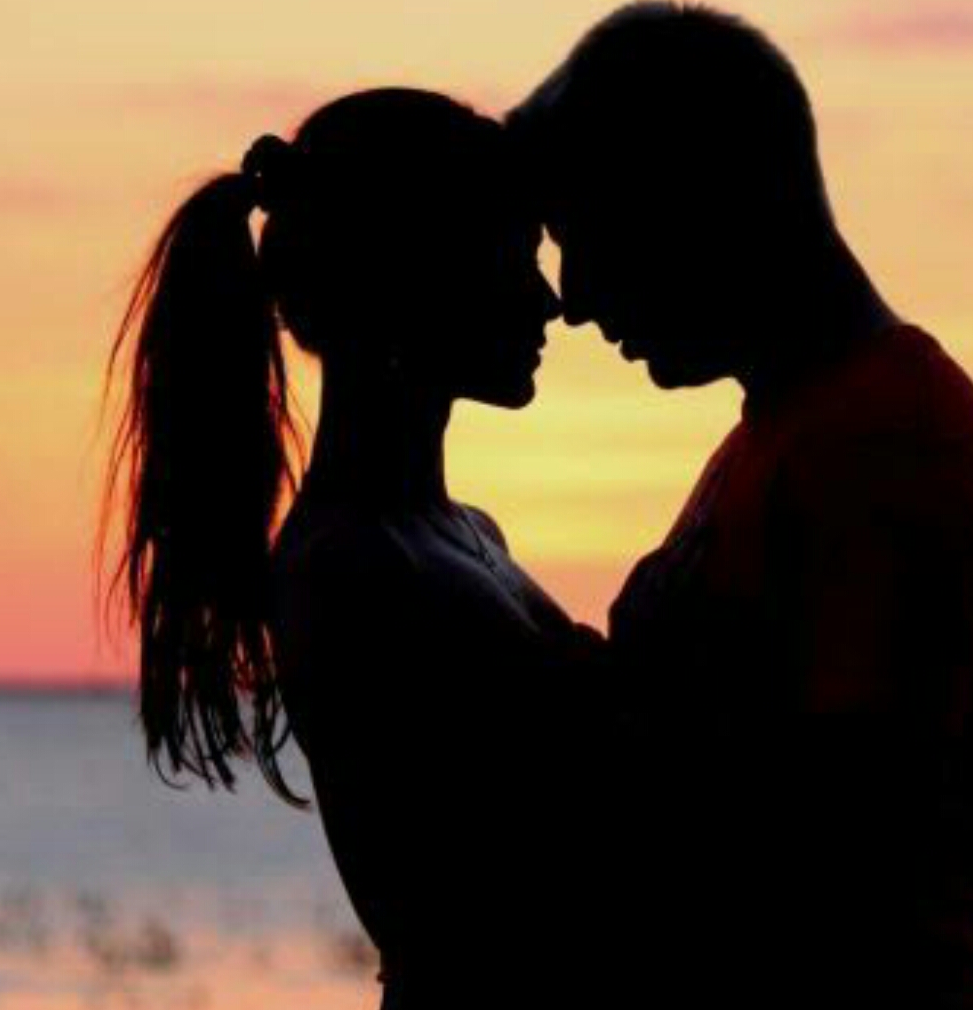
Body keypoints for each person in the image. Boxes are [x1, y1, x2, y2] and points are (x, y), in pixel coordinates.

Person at [509, 0, 973, 1009]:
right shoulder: (798, 429)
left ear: (692, 199)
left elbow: (840, 850)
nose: (573, 298)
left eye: (587, 236)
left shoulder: (883, 445)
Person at [101, 87, 607, 1006]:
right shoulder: (351, 568)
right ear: (416, 280)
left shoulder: (462, 535)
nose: (549, 301)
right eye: (513, 259)